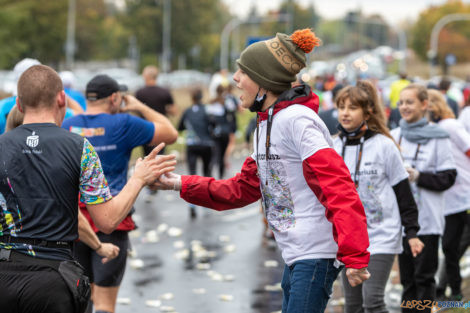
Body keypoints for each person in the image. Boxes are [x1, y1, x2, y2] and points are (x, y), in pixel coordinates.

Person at [155, 28, 371, 313]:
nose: (235, 79)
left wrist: (355, 255)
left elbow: (338, 186)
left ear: (264, 82)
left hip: (314, 254)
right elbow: (241, 189)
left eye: (243, 72)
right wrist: (178, 183)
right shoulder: (265, 124)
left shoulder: (298, 121)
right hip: (294, 253)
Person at [0, 65, 176, 313]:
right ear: (62, 98)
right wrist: (138, 178)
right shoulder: (80, 148)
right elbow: (106, 221)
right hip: (52, 278)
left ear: (18, 104)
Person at [62, 74, 178, 313]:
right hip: (112, 218)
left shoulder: (68, 125)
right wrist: (138, 105)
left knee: (80, 300)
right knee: (104, 303)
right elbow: (170, 133)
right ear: (114, 98)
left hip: (74, 223)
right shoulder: (124, 123)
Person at [333, 80, 424, 313]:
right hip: (349, 239)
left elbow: (403, 193)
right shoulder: (332, 146)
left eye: (352, 107)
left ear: (367, 111)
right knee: (352, 307)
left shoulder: (384, 145)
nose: (345, 113)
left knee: (372, 301)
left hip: (381, 235)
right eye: (341, 106)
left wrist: (411, 232)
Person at [391, 84, 457, 313]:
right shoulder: (395, 136)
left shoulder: (439, 136)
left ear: (424, 104)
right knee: (407, 280)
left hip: (427, 221)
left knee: (424, 278)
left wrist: (419, 176)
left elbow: (449, 177)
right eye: (401, 103)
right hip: (402, 223)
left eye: (409, 102)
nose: (404, 107)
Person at [427, 89, 470, 301]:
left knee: (453, 247)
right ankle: (454, 292)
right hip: (448, 199)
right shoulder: (430, 130)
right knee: (449, 248)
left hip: (465, 195)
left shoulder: (450, 126)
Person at [0, 58, 82, 134]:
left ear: (19, 104)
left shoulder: (2, 106)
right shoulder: (54, 108)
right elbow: (80, 116)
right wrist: (60, 92)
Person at [178, 87, 214, 218]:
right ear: (201, 97)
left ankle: (192, 205)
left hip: (192, 145)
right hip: (206, 145)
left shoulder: (187, 111)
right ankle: (205, 202)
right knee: (205, 174)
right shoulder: (207, 110)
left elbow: (180, 126)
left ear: (192, 98)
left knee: (192, 175)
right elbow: (213, 124)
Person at [135, 65, 176, 155]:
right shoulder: (165, 92)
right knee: (160, 155)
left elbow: (136, 109)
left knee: (147, 156)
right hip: (161, 128)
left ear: (145, 76)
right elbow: (174, 111)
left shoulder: (140, 93)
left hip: (145, 128)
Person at [206, 84, 232, 179]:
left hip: (215, 133)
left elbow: (209, 118)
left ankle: (209, 171)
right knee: (222, 155)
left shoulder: (211, 103)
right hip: (225, 132)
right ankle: (221, 177)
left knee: (215, 153)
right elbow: (231, 115)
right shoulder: (226, 102)